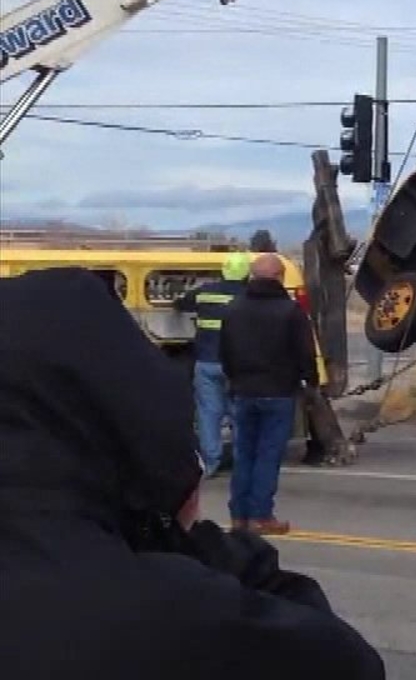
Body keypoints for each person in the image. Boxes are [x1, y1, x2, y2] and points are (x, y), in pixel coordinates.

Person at [0, 266, 385, 679]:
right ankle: (258, 511)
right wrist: (191, 544)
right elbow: (346, 663)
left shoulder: (227, 306)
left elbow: (223, 342)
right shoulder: (152, 616)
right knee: (265, 454)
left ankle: (236, 497)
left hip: (232, 380)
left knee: (236, 442)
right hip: (273, 389)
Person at [221, 253, 318, 535]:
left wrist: (235, 380)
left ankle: (239, 515)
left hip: (243, 391)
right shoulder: (290, 311)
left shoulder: (233, 309)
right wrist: (310, 383)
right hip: (278, 392)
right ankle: (261, 516)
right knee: (267, 455)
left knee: (244, 454)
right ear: (279, 277)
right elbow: (305, 353)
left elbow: (224, 353)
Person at [174, 251, 252, 477]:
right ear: (247, 274)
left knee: (209, 414)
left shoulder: (206, 293)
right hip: (238, 367)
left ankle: (210, 463)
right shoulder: (250, 297)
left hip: (207, 363)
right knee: (240, 414)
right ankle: (242, 463)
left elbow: (180, 304)